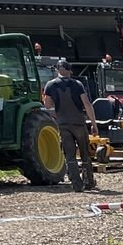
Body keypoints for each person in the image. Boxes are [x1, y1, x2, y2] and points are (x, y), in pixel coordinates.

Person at [42, 59, 98, 191]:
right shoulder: (77, 84)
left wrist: (56, 115)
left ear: (57, 70)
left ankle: (76, 184)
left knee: (69, 154)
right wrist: (94, 124)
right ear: (69, 71)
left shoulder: (50, 85)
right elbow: (87, 105)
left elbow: (48, 106)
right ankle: (88, 181)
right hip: (78, 123)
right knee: (84, 153)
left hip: (63, 124)